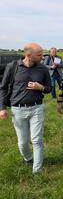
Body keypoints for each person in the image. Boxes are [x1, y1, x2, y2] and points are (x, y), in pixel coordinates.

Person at [0, 43, 51, 174]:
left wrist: (40, 88)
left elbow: (49, 89)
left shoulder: (43, 69)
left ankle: (37, 171)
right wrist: (2, 108)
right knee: (22, 142)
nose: (42, 57)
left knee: (36, 140)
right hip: (18, 110)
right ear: (28, 55)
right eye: (39, 55)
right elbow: (4, 87)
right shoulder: (13, 67)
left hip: (37, 108)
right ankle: (28, 158)